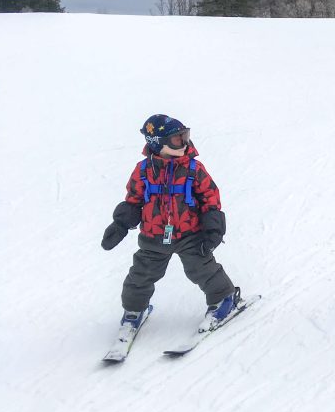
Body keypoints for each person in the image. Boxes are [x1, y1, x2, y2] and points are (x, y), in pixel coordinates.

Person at [101, 114, 242, 334]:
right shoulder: (142, 170)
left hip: (190, 235)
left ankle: (224, 298)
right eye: (178, 139)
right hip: (153, 236)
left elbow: (210, 199)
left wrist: (213, 230)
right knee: (140, 275)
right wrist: (120, 225)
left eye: (185, 136)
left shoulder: (194, 169)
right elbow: (134, 200)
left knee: (202, 269)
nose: (185, 143)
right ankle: (134, 311)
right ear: (157, 143)